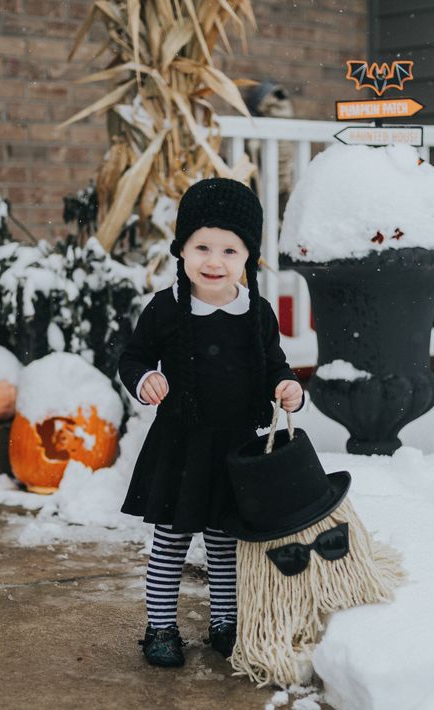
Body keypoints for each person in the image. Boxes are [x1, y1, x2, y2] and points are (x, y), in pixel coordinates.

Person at [118, 177, 304, 669]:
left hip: (234, 450)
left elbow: (274, 365)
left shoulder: (256, 314)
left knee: (225, 544)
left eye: (229, 249)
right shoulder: (166, 309)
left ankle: (225, 622)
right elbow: (133, 358)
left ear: (249, 258)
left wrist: (287, 387)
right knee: (171, 543)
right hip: (180, 445)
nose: (214, 261)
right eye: (201, 246)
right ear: (181, 249)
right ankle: (160, 627)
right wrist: (145, 381)